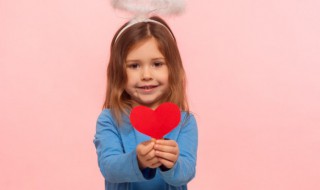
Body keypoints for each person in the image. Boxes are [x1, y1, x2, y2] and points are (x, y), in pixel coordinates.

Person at [93, 16, 198, 190]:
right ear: (118, 72)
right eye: (134, 66)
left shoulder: (185, 121)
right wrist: (137, 160)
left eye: (157, 64)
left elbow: (187, 172)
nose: (146, 75)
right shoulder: (109, 119)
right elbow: (109, 167)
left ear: (172, 68)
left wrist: (171, 164)